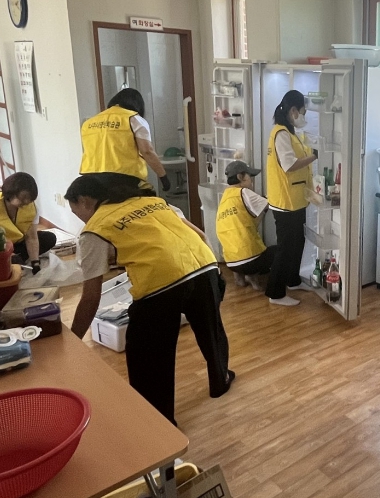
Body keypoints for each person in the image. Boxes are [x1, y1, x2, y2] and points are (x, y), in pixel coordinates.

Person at [65, 176, 233, 426]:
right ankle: (221, 379)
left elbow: (91, 297)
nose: (79, 218)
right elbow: (199, 235)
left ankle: (159, 423)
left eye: (75, 211)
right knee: (212, 330)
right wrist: (213, 273)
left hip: (161, 283)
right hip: (205, 266)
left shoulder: (95, 229)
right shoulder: (153, 202)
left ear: (84, 200)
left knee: (148, 356)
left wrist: (73, 341)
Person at [264, 90, 318, 306]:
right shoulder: (281, 134)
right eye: (303, 112)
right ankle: (275, 294)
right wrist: (314, 157)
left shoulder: (290, 132)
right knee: (286, 247)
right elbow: (290, 165)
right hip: (285, 201)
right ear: (293, 110)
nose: (303, 116)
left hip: (296, 198)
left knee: (297, 242)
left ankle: (293, 280)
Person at [79, 88, 171, 193]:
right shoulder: (133, 119)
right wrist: (163, 177)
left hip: (91, 177)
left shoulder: (89, 122)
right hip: (123, 178)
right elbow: (147, 151)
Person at [217, 160, 277, 291]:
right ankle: (252, 276)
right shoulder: (243, 192)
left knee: (239, 246)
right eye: (250, 177)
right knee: (279, 251)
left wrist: (262, 211)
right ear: (240, 177)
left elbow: (250, 223)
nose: (252, 181)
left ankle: (240, 278)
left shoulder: (225, 198)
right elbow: (270, 202)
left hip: (230, 262)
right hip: (251, 260)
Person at [0, 172, 57, 273]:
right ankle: (11, 259)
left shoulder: (31, 208)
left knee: (49, 238)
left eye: (29, 199)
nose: (26, 202)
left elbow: (32, 237)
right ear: (11, 193)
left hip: (17, 244)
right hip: (2, 245)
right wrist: (8, 254)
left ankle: (14, 259)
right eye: (23, 198)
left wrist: (35, 262)